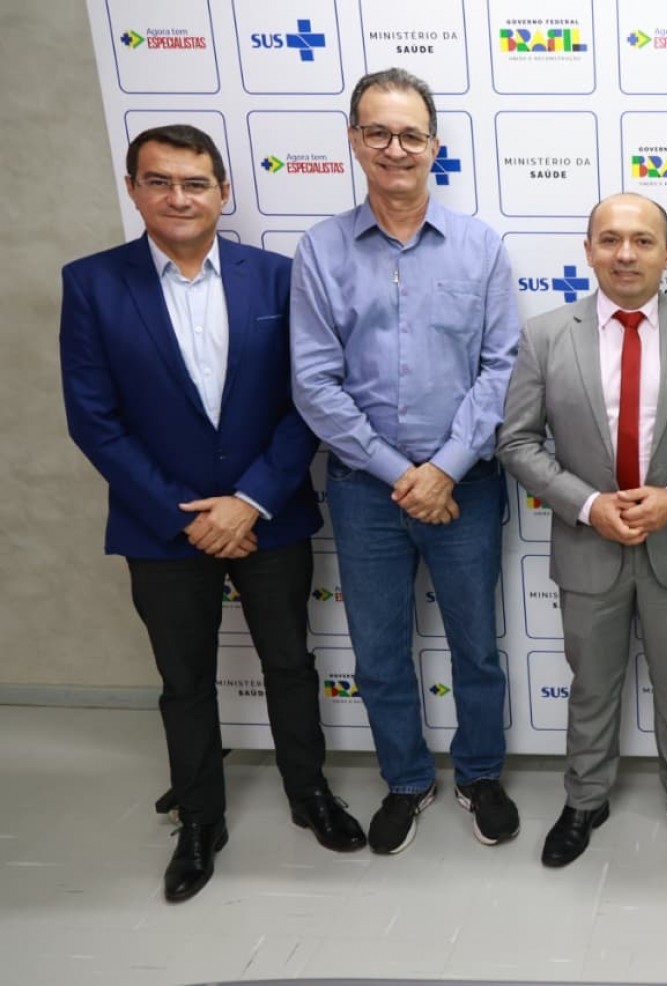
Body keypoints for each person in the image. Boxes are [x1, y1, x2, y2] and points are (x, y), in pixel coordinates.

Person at [60, 124, 365, 903]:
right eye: (159, 181)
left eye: (195, 183)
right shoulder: (92, 284)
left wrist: (251, 500)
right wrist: (187, 514)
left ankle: (310, 793)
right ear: (133, 189)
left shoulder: (279, 279)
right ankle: (199, 819)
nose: (178, 197)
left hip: (269, 514)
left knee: (289, 664)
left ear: (223, 192)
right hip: (161, 526)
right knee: (184, 679)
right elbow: (94, 420)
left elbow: (308, 400)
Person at [291, 68, 522, 855]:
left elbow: (502, 369)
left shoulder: (479, 247)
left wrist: (445, 468)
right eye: (378, 133)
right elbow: (314, 382)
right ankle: (406, 779)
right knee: (380, 653)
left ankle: (480, 774)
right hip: (366, 492)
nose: (396, 148)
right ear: (355, 141)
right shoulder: (321, 250)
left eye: (411, 134)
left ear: (435, 145)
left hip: (468, 487)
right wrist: (404, 475)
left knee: (476, 648)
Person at [497, 193, 667, 867]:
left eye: (642, 240)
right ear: (588, 251)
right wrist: (587, 505)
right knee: (591, 686)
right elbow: (517, 441)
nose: (625, 254)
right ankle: (584, 800)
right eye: (609, 239)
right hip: (588, 545)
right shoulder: (546, 335)